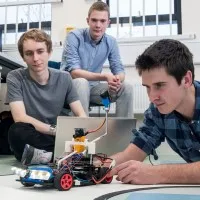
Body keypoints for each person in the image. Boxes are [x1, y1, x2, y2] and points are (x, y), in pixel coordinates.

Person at [109, 39, 200, 184]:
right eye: (147, 87)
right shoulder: (158, 111)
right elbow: (130, 155)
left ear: (186, 80)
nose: (152, 97)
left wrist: (157, 173)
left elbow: (156, 174)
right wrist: (93, 166)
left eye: (159, 85)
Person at [6, 29, 86, 165]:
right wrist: (56, 131)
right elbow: (20, 118)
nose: (36, 58)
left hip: (57, 136)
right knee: (16, 131)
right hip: (35, 133)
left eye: (40, 51)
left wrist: (80, 135)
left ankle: (45, 156)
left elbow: (80, 114)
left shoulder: (64, 77)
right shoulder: (15, 77)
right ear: (23, 57)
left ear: (49, 52)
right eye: (29, 53)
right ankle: (61, 155)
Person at [61, 1, 133, 117]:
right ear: (88, 20)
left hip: (94, 91)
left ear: (108, 23)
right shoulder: (74, 37)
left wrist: (116, 81)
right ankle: (82, 132)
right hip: (69, 90)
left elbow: (119, 70)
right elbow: (74, 73)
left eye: (102, 21)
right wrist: (104, 77)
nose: (98, 25)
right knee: (81, 82)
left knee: (126, 87)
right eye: (94, 20)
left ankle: (123, 132)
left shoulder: (111, 42)